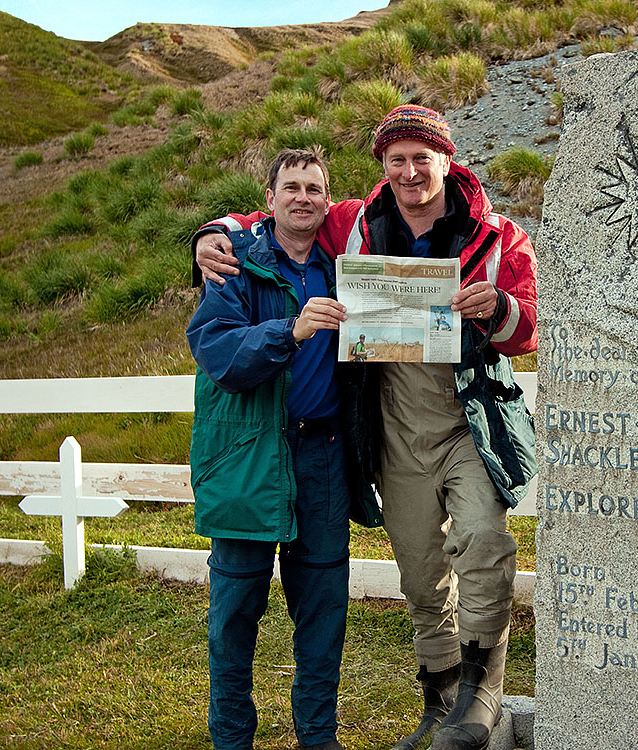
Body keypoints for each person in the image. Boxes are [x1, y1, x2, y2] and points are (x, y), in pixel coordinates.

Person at [194, 105, 537, 750]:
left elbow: (530, 329)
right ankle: (439, 695)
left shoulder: (498, 237)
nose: (410, 171)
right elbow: (281, 216)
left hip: (469, 414)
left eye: (422, 158)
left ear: (447, 161)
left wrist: (500, 309)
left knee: (484, 539)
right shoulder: (354, 222)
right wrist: (211, 233)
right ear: (383, 165)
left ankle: (480, 693)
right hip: (396, 420)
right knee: (416, 564)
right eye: (397, 159)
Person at [187, 147, 381, 750]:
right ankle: (231, 738)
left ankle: (318, 736)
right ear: (267, 200)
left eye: (314, 189)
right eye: (291, 187)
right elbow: (217, 353)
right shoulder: (234, 266)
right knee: (236, 611)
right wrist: (290, 330)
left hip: (322, 456)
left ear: (328, 203)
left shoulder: (342, 268)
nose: (303, 197)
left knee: (323, 607)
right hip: (249, 456)